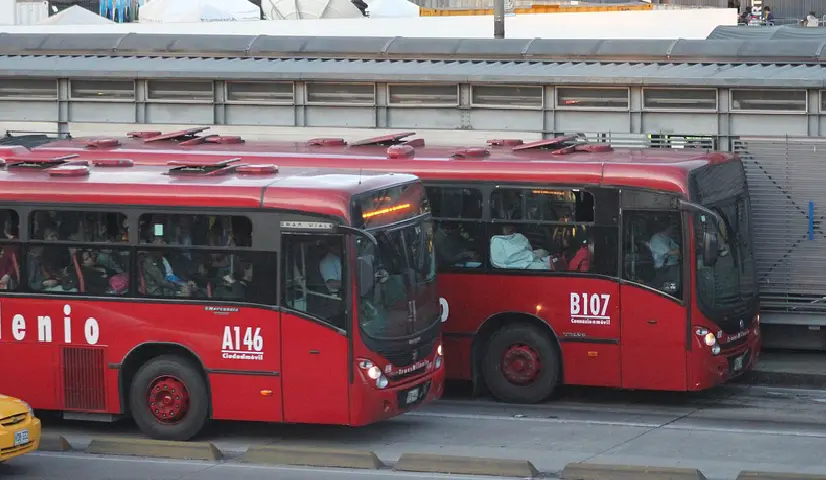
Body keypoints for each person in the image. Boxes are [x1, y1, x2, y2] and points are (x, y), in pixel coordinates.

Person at [490, 224, 555, 270]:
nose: (509, 229)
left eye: (510, 227)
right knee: (544, 267)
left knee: (544, 254)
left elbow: (528, 249)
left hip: (530, 257)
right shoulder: (497, 241)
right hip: (520, 264)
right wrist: (529, 256)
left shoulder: (518, 236)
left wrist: (532, 255)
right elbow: (502, 260)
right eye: (506, 227)